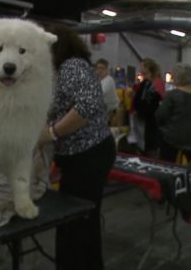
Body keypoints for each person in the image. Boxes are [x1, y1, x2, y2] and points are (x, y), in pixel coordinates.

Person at [39, 24, 116, 270]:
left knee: (80, 220)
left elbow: (87, 105)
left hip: (89, 155)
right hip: (79, 156)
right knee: (75, 220)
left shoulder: (72, 66)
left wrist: (51, 133)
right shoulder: (62, 70)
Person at [156, 63, 191, 162]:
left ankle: (167, 172)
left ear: (176, 77)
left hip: (174, 138)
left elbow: (160, 115)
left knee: (166, 156)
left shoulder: (172, 95)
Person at [132, 57, 165, 155]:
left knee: (149, 146)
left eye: (142, 66)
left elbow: (156, 101)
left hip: (150, 120)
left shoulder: (156, 82)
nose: (140, 68)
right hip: (143, 117)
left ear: (147, 67)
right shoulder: (145, 82)